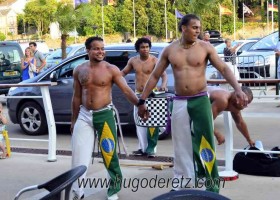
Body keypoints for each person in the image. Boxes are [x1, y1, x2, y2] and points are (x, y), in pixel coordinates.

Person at [137, 14, 248, 193]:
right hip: (180, 101)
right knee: (180, 143)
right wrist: (142, 100)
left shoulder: (206, 48)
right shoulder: (170, 50)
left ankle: (210, 183)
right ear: (183, 28)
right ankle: (182, 180)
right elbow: (155, 76)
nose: (198, 31)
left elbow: (224, 68)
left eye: (199, 27)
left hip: (200, 99)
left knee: (205, 141)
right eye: (195, 27)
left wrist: (238, 88)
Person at [71, 36, 140, 200]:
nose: (101, 51)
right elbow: (76, 97)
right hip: (84, 115)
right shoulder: (79, 70)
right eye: (96, 48)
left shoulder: (111, 69)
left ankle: (113, 188)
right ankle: (77, 191)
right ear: (88, 50)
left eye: (102, 48)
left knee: (109, 153)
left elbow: (126, 90)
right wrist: (73, 120)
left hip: (105, 114)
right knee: (79, 154)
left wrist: (140, 104)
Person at [121, 38, 167, 158]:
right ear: (138, 49)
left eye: (147, 47)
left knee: (153, 123)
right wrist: (113, 78)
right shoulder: (133, 61)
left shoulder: (154, 60)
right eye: (142, 47)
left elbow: (163, 75)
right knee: (140, 123)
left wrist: (163, 85)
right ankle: (142, 148)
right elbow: (123, 73)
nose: (145, 49)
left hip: (152, 96)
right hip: (137, 95)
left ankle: (151, 149)